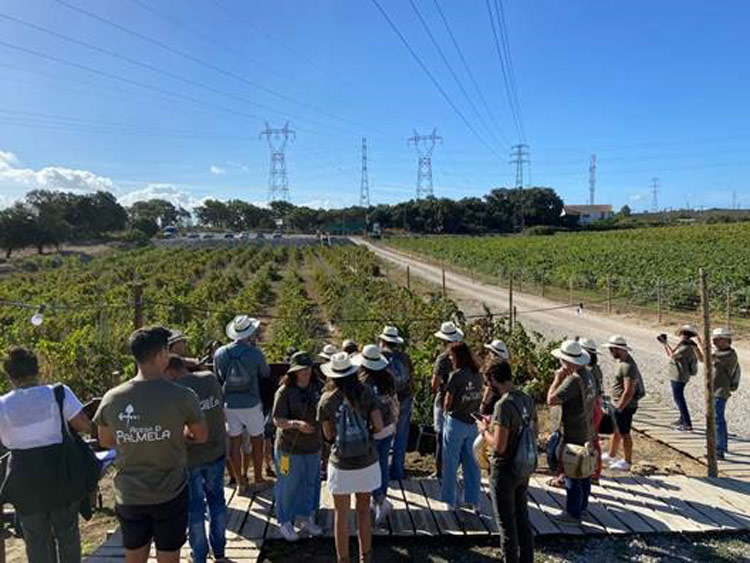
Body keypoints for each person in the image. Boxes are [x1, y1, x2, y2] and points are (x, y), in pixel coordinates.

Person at [94, 326, 207, 563]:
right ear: (161, 355)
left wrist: (134, 437)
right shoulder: (183, 396)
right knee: (169, 556)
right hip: (171, 491)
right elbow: (201, 436)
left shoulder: (113, 398)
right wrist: (176, 433)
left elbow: (105, 440)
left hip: (130, 493)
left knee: (134, 556)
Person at [0, 347, 92, 563]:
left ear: (9, 375)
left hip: (24, 477)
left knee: (35, 539)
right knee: (67, 534)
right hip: (60, 472)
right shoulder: (59, 393)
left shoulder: (3, 405)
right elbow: (84, 425)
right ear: (37, 371)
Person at [317, 353, 383, 563]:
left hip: (341, 464)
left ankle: (343, 559)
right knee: (364, 511)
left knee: (341, 515)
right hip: (366, 461)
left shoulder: (326, 400)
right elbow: (379, 426)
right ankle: (366, 557)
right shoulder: (366, 393)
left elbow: (328, 435)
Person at [163, 355, 227, 563]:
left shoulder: (175, 392)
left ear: (170, 371)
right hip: (216, 452)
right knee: (217, 501)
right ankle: (219, 551)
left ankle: (199, 555)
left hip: (190, 458)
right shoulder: (209, 378)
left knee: (195, 507)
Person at [476, 360, 536, 563]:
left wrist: (484, 431)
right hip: (523, 467)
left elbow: (499, 446)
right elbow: (533, 432)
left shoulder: (504, 405)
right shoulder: (526, 399)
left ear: (493, 379)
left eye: (488, 381)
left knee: (506, 526)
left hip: (504, 470)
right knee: (522, 519)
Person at [214, 315, 271, 492]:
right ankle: (259, 479)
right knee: (257, 440)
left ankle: (240, 482)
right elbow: (265, 373)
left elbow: (218, 377)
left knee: (235, 443)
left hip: (230, 403)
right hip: (252, 402)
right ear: (250, 332)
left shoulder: (220, 353)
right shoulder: (254, 353)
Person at [271, 352, 324, 542]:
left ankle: (308, 517)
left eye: (308, 368)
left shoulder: (319, 387)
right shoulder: (284, 391)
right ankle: (284, 521)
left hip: (313, 447)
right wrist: (296, 424)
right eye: (302, 369)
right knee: (287, 485)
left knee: (312, 483)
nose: (306, 372)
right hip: (288, 449)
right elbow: (277, 420)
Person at [547, 340, 596, 524]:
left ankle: (572, 513)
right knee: (584, 472)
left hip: (574, 432)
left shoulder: (572, 380)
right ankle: (582, 508)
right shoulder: (588, 375)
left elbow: (551, 400)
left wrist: (557, 379)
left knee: (572, 472)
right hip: (587, 429)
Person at [355, 344, 398, 525]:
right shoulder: (388, 378)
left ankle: (378, 499)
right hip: (388, 427)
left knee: (370, 467)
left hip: (373, 430)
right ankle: (380, 499)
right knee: (382, 465)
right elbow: (395, 403)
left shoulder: (363, 383)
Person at [441, 341, 483, 511]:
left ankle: (449, 500)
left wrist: (446, 410)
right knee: (472, 463)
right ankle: (474, 499)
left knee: (450, 462)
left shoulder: (456, 375)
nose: (450, 358)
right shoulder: (478, 374)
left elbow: (448, 401)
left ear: (457, 356)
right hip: (473, 422)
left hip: (456, 421)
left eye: (451, 355)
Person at [601, 335, 644, 472]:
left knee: (625, 432)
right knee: (617, 430)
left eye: (612, 349)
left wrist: (620, 407)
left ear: (618, 349)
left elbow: (629, 391)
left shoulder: (628, 366)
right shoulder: (622, 362)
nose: (610, 352)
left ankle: (627, 461)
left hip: (625, 406)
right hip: (619, 403)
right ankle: (611, 454)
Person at [377, 325, 413, 481]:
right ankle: (397, 471)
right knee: (401, 436)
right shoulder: (404, 357)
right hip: (404, 398)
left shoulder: (378, 357)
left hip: (385, 402)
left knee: (382, 437)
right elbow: (411, 378)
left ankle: (381, 472)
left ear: (382, 341)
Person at [431, 321, 464, 478]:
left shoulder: (443, 359)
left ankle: (440, 471)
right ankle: (456, 469)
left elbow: (435, 383)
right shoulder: (465, 357)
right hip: (462, 401)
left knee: (441, 437)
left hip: (444, 399)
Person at [662, 325, 702, 432]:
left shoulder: (685, 347)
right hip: (683, 375)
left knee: (679, 399)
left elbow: (672, 355)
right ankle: (682, 419)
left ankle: (687, 423)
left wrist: (665, 344)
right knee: (679, 397)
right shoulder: (692, 345)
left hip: (678, 375)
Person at [711, 327, 738, 460]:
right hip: (715, 390)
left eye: (717, 339)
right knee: (718, 419)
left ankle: (719, 449)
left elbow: (712, 359)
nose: (714, 341)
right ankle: (721, 445)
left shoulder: (728, 355)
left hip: (720, 390)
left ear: (726, 340)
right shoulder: (719, 352)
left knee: (717, 420)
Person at [579, 338, 604, 481]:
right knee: (594, 440)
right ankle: (595, 470)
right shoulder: (596, 368)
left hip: (591, 406)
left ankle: (593, 471)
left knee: (591, 440)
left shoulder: (587, 371)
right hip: (597, 405)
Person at [480, 339, 510, 416]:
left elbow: (489, 388)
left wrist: (483, 404)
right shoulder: (506, 366)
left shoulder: (492, 368)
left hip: (492, 403)